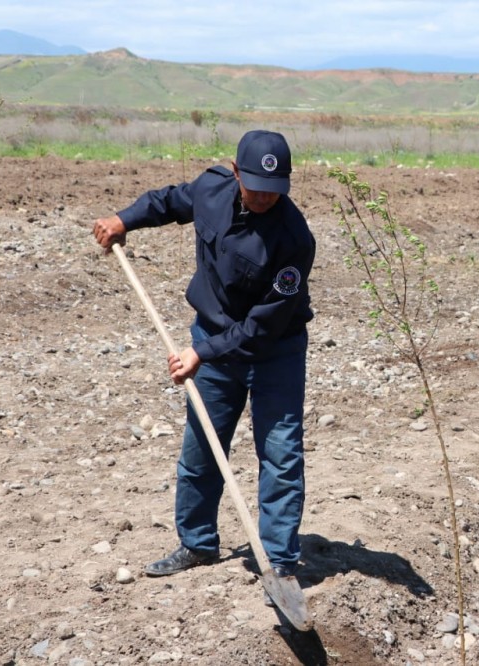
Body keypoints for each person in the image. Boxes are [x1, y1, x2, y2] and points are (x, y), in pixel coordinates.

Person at [92, 129, 316, 580]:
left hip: (273, 352)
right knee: (202, 450)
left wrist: (200, 352)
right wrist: (124, 219)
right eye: (255, 187)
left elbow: (262, 327)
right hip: (212, 340)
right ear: (235, 173)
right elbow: (169, 202)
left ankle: (281, 562)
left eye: (274, 191)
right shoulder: (212, 187)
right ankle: (196, 544)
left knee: (281, 456)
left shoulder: (295, 240)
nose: (264, 198)